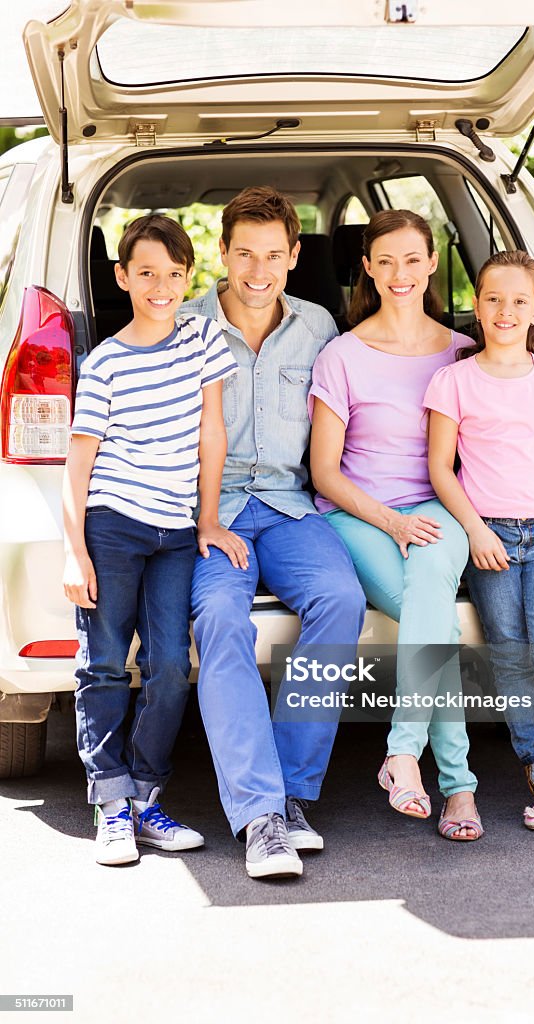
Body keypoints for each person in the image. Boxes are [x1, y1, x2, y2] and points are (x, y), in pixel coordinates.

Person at [180, 186, 366, 879]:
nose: (258, 271)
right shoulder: (185, 323)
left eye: (273, 255)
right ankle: (258, 816)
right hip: (211, 511)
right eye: (243, 254)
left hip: (290, 507)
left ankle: (290, 795)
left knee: (340, 601)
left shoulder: (319, 328)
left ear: (293, 256)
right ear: (222, 254)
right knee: (222, 618)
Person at [63, 214, 238, 865]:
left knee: (170, 664)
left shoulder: (203, 340)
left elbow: (210, 434)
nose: (160, 287)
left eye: (172, 274)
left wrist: (210, 518)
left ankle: (143, 797)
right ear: (122, 277)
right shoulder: (105, 363)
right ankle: (110, 806)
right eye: (145, 274)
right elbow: (78, 466)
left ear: (188, 276)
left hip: (174, 531)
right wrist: (73, 550)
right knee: (104, 660)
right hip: (111, 523)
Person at [309, 209, 482, 842]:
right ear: (367, 267)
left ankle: (404, 753)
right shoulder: (341, 355)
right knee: (425, 611)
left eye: (412, 259)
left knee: (426, 597)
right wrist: (389, 521)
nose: (399, 273)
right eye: (385, 261)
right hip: (358, 513)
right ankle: (459, 789)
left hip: (441, 504)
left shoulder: (464, 352)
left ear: (433, 263)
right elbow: (325, 472)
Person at [426, 249, 534, 837]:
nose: (505, 311)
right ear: (477, 305)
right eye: (494, 299)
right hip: (490, 537)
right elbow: (441, 468)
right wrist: (473, 529)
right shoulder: (453, 380)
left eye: (519, 301)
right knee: (510, 659)